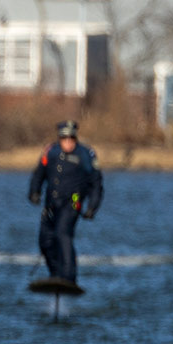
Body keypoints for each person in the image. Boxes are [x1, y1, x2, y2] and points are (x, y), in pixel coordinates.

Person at [28, 120, 103, 285]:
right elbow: (38, 174)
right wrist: (34, 192)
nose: (68, 142)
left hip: (74, 201)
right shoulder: (51, 152)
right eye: (64, 138)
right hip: (51, 203)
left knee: (63, 233)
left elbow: (96, 183)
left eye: (71, 138)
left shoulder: (85, 154)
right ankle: (56, 274)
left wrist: (92, 207)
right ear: (59, 138)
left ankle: (69, 277)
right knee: (45, 240)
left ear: (75, 138)